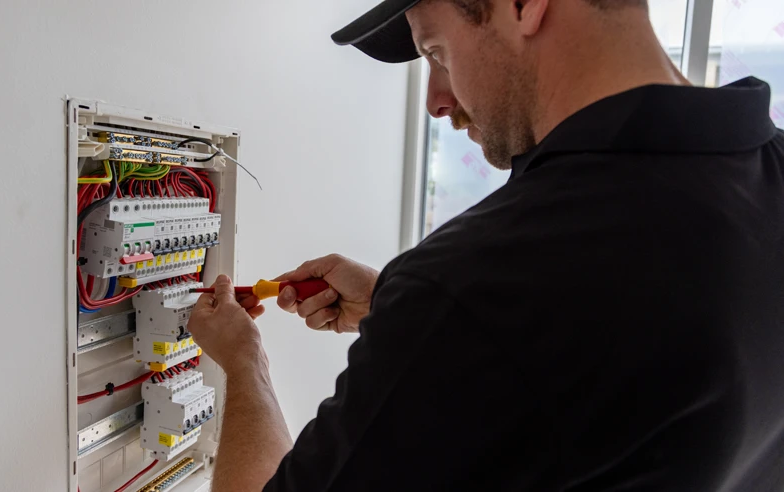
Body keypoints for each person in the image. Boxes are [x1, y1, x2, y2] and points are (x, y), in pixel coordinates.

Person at [187, 0, 784, 490]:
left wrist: (246, 364)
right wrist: (405, 305)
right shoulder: (769, 173)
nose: (436, 102)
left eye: (436, 52)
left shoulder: (477, 287)